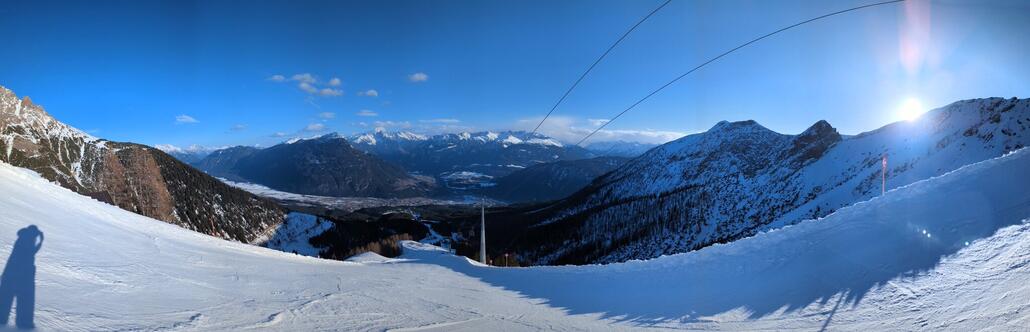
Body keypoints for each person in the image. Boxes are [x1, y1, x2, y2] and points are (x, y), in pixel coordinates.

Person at [0, 225, 43, 329]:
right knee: (25, 299)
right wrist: (40, 241)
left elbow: (28, 254)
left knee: (5, 298)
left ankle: (2, 318)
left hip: (11, 275)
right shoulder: (27, 240)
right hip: (22, 277)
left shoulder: (22, 238)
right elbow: (29, 254)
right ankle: (24, 323)